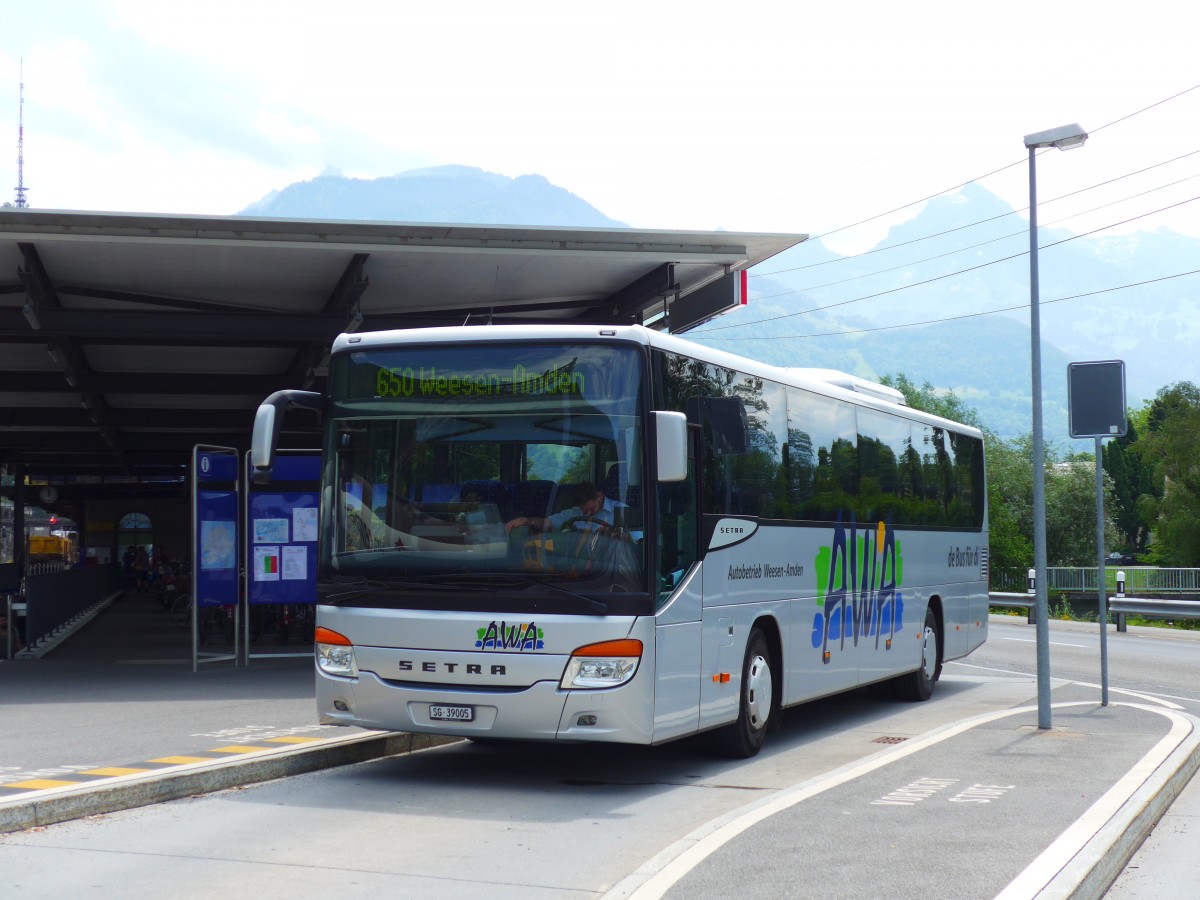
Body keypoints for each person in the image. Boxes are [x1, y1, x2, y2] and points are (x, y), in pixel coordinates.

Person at [506, 482, 625, 535]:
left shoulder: (623, 511)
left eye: (591, 509)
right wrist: (526, 521)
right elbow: (547, 523)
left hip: (608, 566)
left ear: (599, 496)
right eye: (584, 511)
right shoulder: (573, 513)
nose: (588, 514)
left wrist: (611, 534)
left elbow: (635, 541)